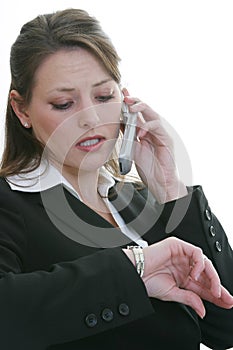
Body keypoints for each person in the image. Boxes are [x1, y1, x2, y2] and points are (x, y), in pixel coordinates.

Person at [0, 8, 232, 350]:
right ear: (22, 110)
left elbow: (225, 326)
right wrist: (134, 268)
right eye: (64, 104)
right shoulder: (9, 204)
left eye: (104, 96)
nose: (90, 118)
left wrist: (170, 189)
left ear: (124, 100)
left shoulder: (138, 202)